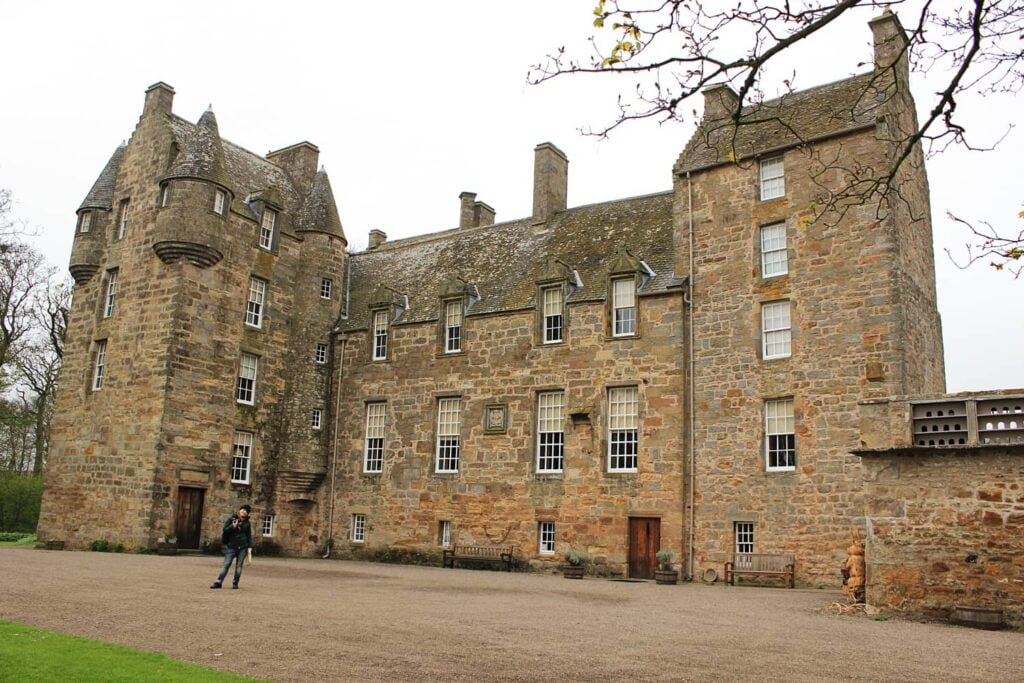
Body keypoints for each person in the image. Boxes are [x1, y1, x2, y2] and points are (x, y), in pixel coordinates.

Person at [210, 504, 253, 589]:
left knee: (239, 566)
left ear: (247, 514)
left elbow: (248, 536)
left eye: (246, 511)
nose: (244, 511)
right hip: (232, 546)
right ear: (240, 510)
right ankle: (218, 582)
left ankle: (235, 582)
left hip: (243, 547)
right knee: (226, 564)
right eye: (243, 510)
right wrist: (232, 526)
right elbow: (225, 529)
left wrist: (250, 547)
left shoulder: (247, 523)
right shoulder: (232, 519)